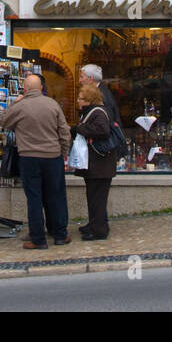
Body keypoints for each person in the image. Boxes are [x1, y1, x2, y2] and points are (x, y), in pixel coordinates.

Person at [0, 73, 71, 250]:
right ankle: (60, 234)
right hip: (52, 157)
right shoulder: (53, 104)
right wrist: (64, 153)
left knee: (34, 199)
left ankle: (38, 239)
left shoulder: (20, 106)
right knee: (56, 196)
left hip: (29, 158)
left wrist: (15, 103)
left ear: (24, 89)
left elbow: (4, 122)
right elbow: (64, 132)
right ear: (41, 88)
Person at [73, 79, 116, 240]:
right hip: (96, 164)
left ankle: (99, 229)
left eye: (80, 98)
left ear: (88, 100)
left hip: (100, 164)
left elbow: (102, 131)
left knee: (97, 197)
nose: (77, 100)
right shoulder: (94, 111)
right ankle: (94, 224)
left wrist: (79, 129)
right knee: (93, 196)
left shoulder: (98, 112)